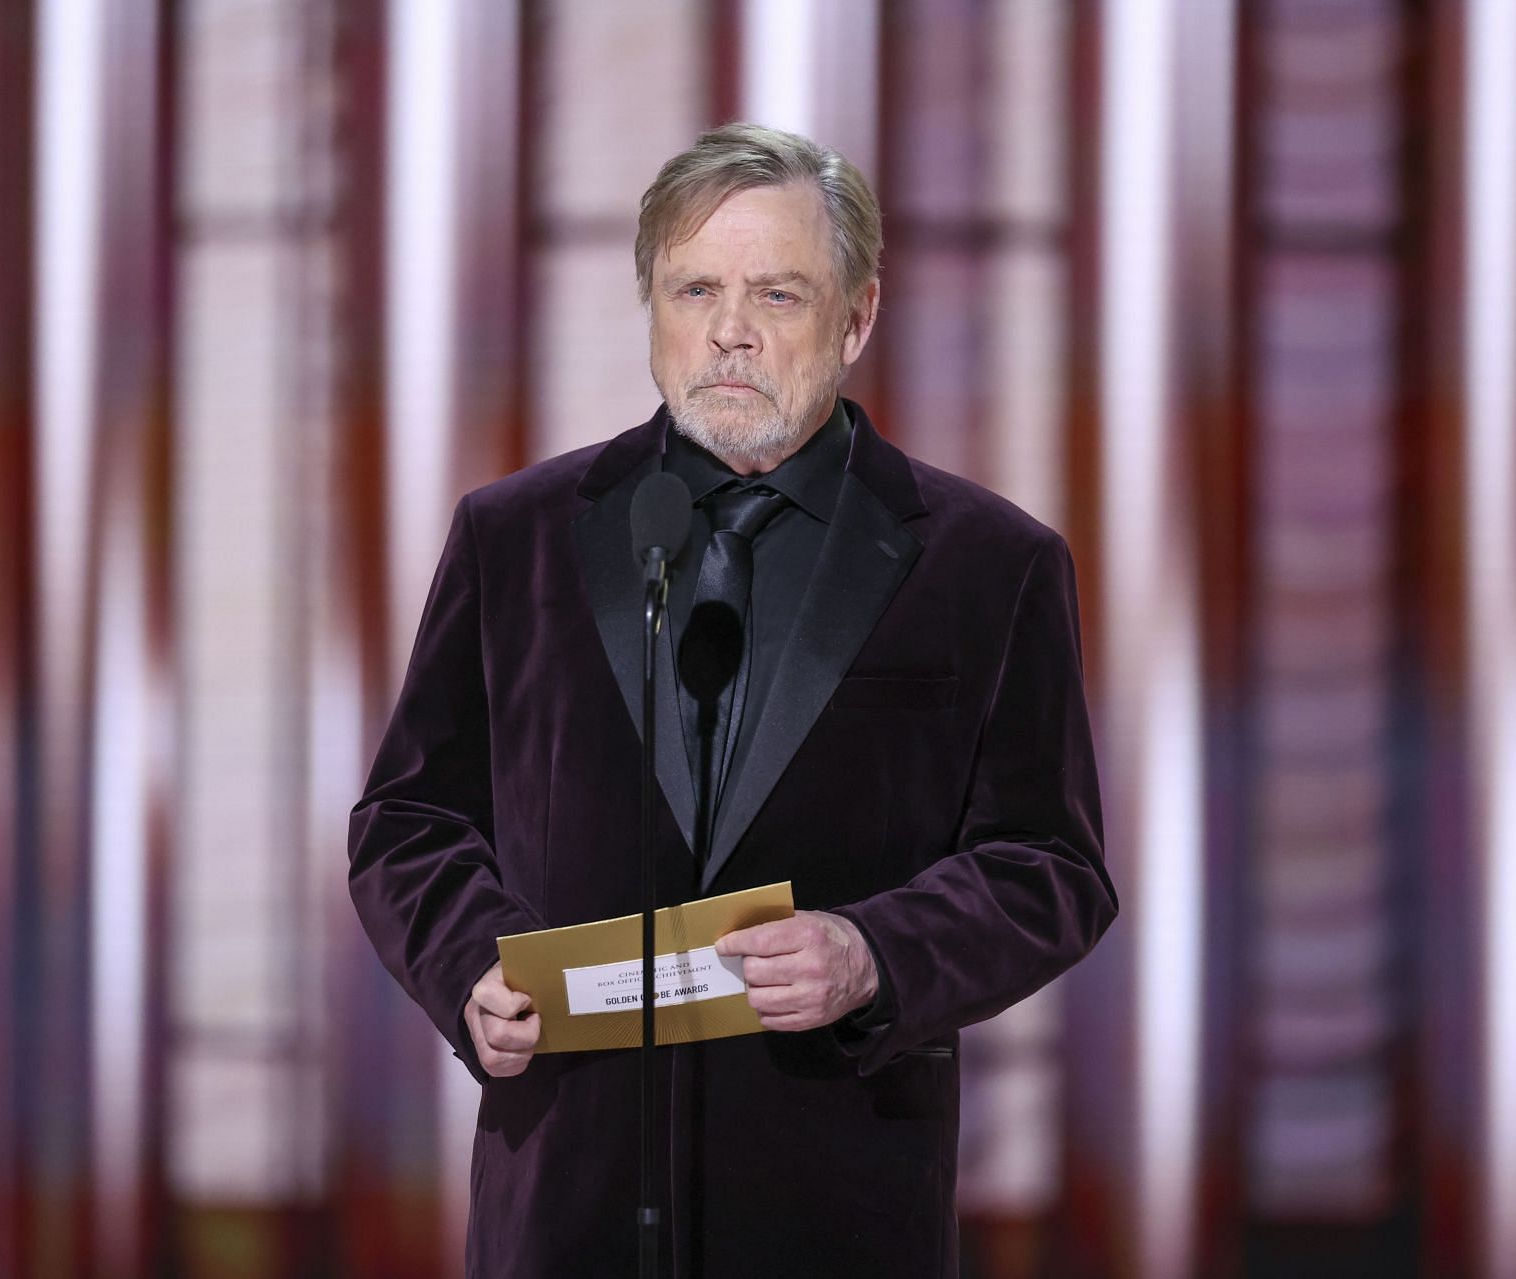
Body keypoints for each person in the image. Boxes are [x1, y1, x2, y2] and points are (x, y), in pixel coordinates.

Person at [347, 122, 1116, 1279]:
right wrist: (468, 963)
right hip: (570, 1197)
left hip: (838, 1206)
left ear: (856, 318)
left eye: (778, 294)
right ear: (651, 305)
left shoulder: (989, 564)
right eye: (693, 287)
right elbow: (407, 820)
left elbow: (1050, 864)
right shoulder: (513, 538)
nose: (730, 332)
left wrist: (875, 952)